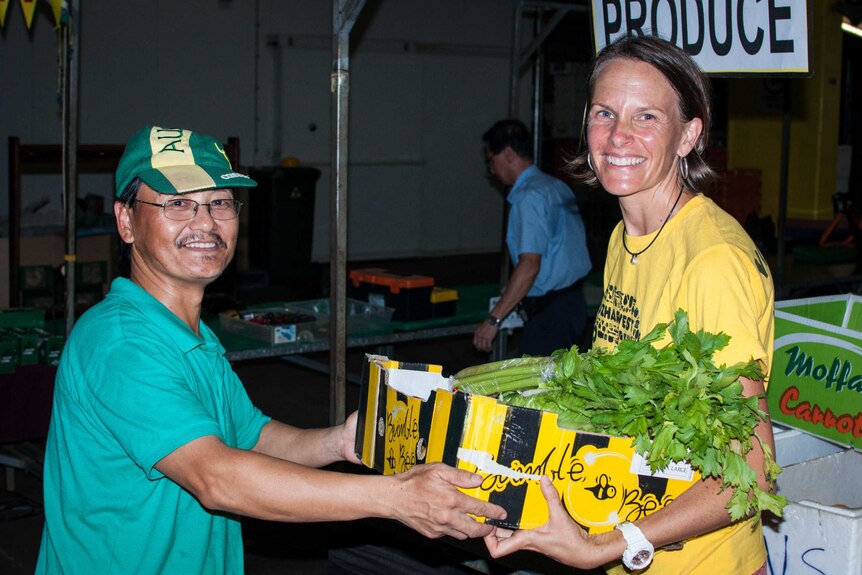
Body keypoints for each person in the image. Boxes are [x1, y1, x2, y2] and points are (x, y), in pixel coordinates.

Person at [35, 125, 506, 574]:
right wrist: (395, 498)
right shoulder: (121, 345)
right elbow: (217, 478)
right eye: (178, 203)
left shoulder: (190, 335)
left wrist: (339, 441)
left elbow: (251, 436)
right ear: (126, 221)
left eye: (220, 202)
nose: (206, 222)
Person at [482, 36, 776, 575]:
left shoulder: (713, 262)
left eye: (646, 116)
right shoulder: (625, 238)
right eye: (604, 113)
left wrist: (606, 545)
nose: (618, 135)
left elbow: (752, 473)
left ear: (689, 135)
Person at [473, 119, 592, 357]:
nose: (492, 169)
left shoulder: (529, 197)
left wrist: (494, 320)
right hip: (574, 304)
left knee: (534, 389)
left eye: (490, 160)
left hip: (552, 314)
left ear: (507, 154)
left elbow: (530, 265)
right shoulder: (556, 186)